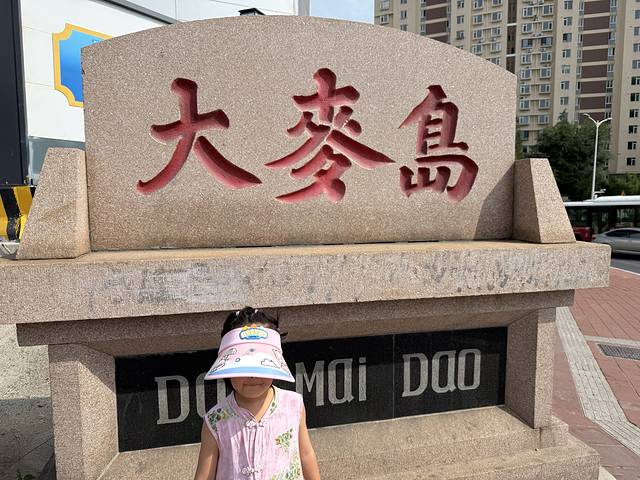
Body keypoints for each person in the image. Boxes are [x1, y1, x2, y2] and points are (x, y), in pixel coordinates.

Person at [194, 307, 321, 480]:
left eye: (261, 363)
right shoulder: (215, 420)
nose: (252, 375)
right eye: (242, 365)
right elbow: (204, 475)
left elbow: (306, 454)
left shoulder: (293, 404)